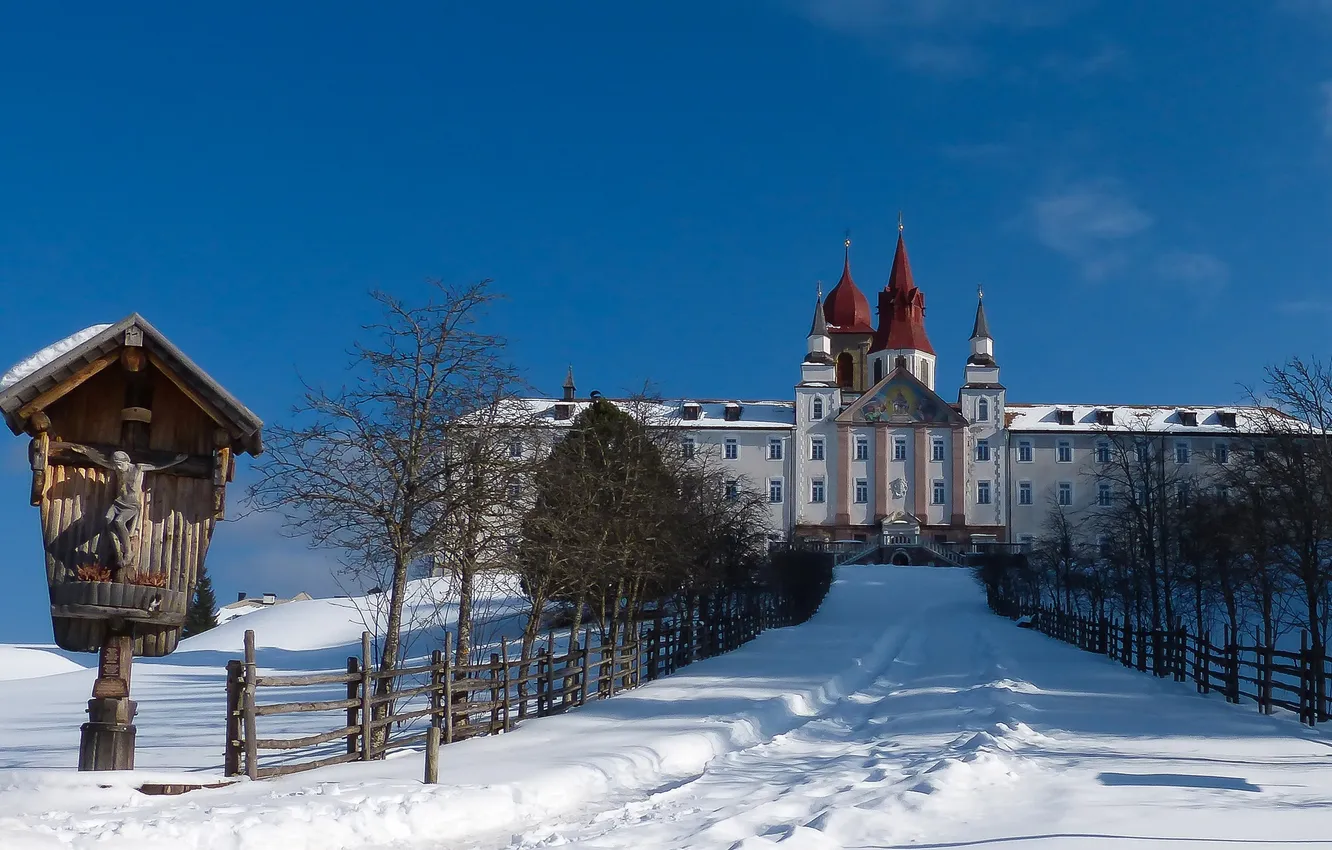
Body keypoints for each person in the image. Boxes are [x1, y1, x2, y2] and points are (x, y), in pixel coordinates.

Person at [67, 445, 187, 578]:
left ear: (126, 461)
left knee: (119, 521)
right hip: (118, 502)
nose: (117, 467)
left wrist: (176, 460)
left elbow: (157, 466)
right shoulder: (118, 470)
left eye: (119, 464)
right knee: (107, 519)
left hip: (131, 504)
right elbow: (102, 461)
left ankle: (128, 552)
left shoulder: (138, 468)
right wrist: (86, 452)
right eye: (115, 465)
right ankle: (118, 548)